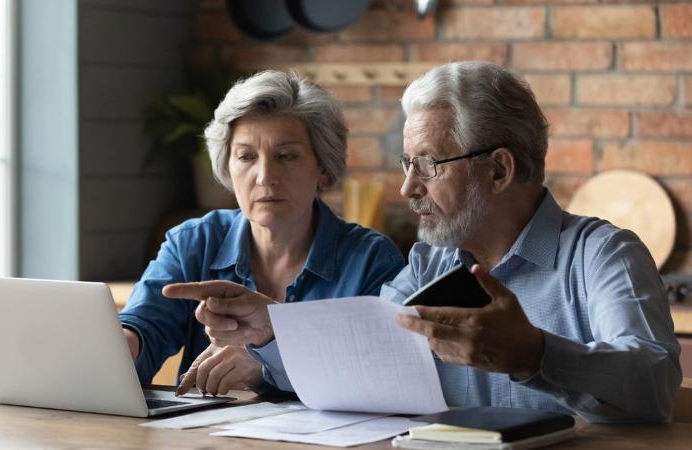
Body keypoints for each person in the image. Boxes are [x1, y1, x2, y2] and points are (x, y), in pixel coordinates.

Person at [176, 61, 682, 423]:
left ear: (499, 169)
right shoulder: (428, 263)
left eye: (429, 165)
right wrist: (273, 329)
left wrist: (533, 354)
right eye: (406, 164)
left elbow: (655, 387)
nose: (407, 188)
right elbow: (360, 362)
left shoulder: (603, 254)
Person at [119, 70, 405, 397]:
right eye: (246, 157)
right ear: (228, 167)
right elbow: (145, 326)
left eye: (286, 156)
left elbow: (383, 375)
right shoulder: (193, 243)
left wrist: (268, 366)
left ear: (323, 170)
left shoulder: (372, 260)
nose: (265, 176)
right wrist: (125, 346)